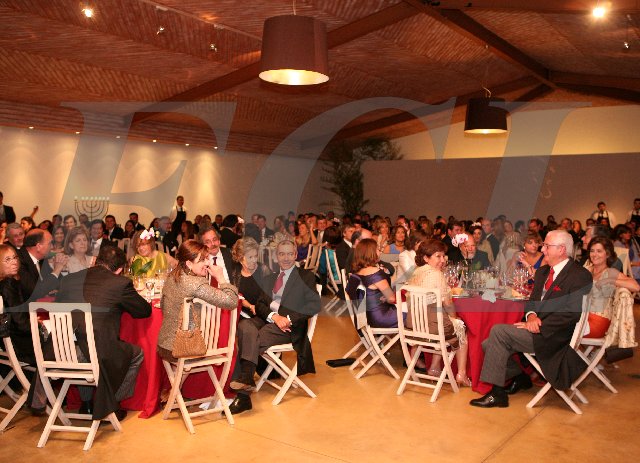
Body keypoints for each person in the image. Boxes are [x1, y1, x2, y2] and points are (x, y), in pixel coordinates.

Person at [470, 230, 592, 408]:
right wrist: (532, 316)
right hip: (536, 329)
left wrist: (540, 326)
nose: (542, 250)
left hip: (555, 336)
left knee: (498, 331)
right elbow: (532, 302)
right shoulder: (543, 272)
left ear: (561, 249)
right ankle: (520, 376)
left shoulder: (579, 275)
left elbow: (571, 314)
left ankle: (497, 394)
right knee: (488, 344)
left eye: (547, 246)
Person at [53, 246, 151, 420]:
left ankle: (86, 403)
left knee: (84, 343)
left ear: (95, 261)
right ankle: (112, 403)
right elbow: (143, 311)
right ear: (119, 270)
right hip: (95, 353)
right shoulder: (119, 283)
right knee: (136, 354)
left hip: (61, 351)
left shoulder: (69, 280)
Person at [228, 240, 320, 415]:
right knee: (245, 326)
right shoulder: (270, 278)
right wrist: (274, 317)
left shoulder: (306, 276)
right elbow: (260, 304)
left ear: (296, 255)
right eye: (282, 254)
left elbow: (313, 305)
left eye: (290, 254)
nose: (286, 258)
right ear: (277, 257)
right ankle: (247, 378)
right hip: (269, 320)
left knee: (251, 339)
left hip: (289, 328)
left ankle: (243, 395)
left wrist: (288, 319)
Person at [157, 240, 238, 361]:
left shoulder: (172, 276)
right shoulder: (196, 284)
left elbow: (163, 306)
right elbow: (232, 302)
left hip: (164, 347)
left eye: (207, 258)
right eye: (202, 260)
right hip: (186, 349)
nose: (208, 263)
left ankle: (177, 374)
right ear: (189, 264)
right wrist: (221, 278)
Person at [406, 239, 471, 386]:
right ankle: (461, 374)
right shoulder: (436, 274)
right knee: (461, 328)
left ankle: (434, 367)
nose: (443, 260)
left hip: (412, 325)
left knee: (443, 321)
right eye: (438, 256)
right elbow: (448, 304)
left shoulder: (414, 272)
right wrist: (455, 319)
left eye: (443, 256)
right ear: (426, 258)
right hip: (431, 327)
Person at [583, 237, 639, 344]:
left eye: (599, 251)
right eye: (592, 251)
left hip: (597, 322)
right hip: (581, 317)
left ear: (607, 254)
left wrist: (610, 280)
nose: (594, 254)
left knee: (558, 328)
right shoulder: (587, 270)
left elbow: (636, 286)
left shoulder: (610, 272)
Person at [346, 239, 399, 328]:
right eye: (378, 249)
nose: (380, 251)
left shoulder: (355, 274)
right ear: (371, 253)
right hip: (380, 318)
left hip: (364, 318)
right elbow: (391, 299)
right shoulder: (376, 273)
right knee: (414, 315)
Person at [17, 229, 67, 302]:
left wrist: (56, 289)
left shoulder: (41, 258)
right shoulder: (19, 261)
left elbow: (57, 282)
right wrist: (57, 269)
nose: (52, 247)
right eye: (50, 243)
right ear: (38, 246)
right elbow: (34, 292)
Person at [230, 237, 273, 318]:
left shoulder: (263, 270)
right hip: (242, 313)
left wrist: (257, 308)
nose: (254, 260)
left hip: (261, 314)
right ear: (240, 258)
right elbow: (237, 296)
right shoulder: (235, 273)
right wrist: (249, 306)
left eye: (255, 256)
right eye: (250, 257)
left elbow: (269, 298)